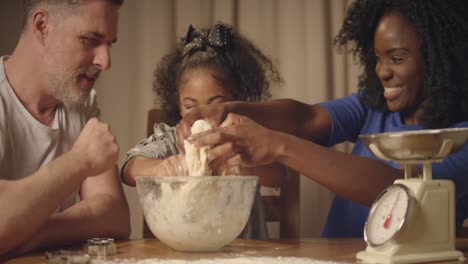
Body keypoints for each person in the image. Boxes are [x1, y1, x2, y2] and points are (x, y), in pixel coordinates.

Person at [176, 0, 468, 238]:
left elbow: (405, 190)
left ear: (441, 57)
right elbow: (307, 118)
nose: (382, 71)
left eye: (397, 58)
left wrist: (279, 146)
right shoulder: (373, 106)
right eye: (378, 58)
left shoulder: (461, 137)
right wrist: (224, 110)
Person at [121, 22, 285, 240]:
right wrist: (164, 167)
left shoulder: (243, 140)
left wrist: (235, 166)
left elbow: (278, 175)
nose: (201, 114)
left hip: (245, 251)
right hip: (184, 249)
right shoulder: (171, 139)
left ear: (238, 101)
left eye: (215, 103)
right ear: (178, 105)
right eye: (190, 106)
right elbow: (128, 168)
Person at [0, 0, 130, 257]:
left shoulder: (79, 102)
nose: (105, 61)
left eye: (109, 44)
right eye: (90, 39)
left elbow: (114, 215)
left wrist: (34, 231)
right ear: (42, 25)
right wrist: (80, 160)